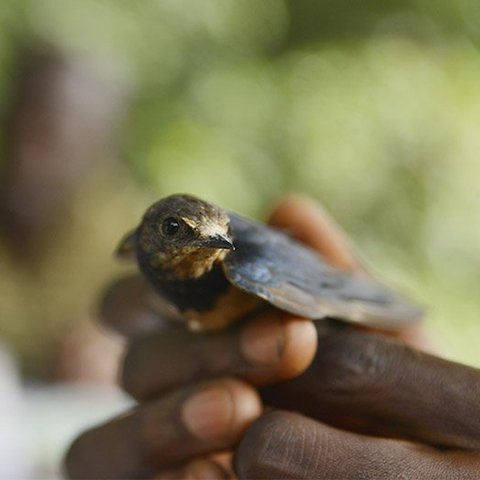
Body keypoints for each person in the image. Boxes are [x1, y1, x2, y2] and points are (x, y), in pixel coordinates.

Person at [64, 197, 480, 479]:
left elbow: (337, 292)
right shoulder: (140, 247)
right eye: (177, 229)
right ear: (149, 233)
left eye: (219, 233)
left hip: (315, 354)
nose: (212, 241)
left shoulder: (242, 264)